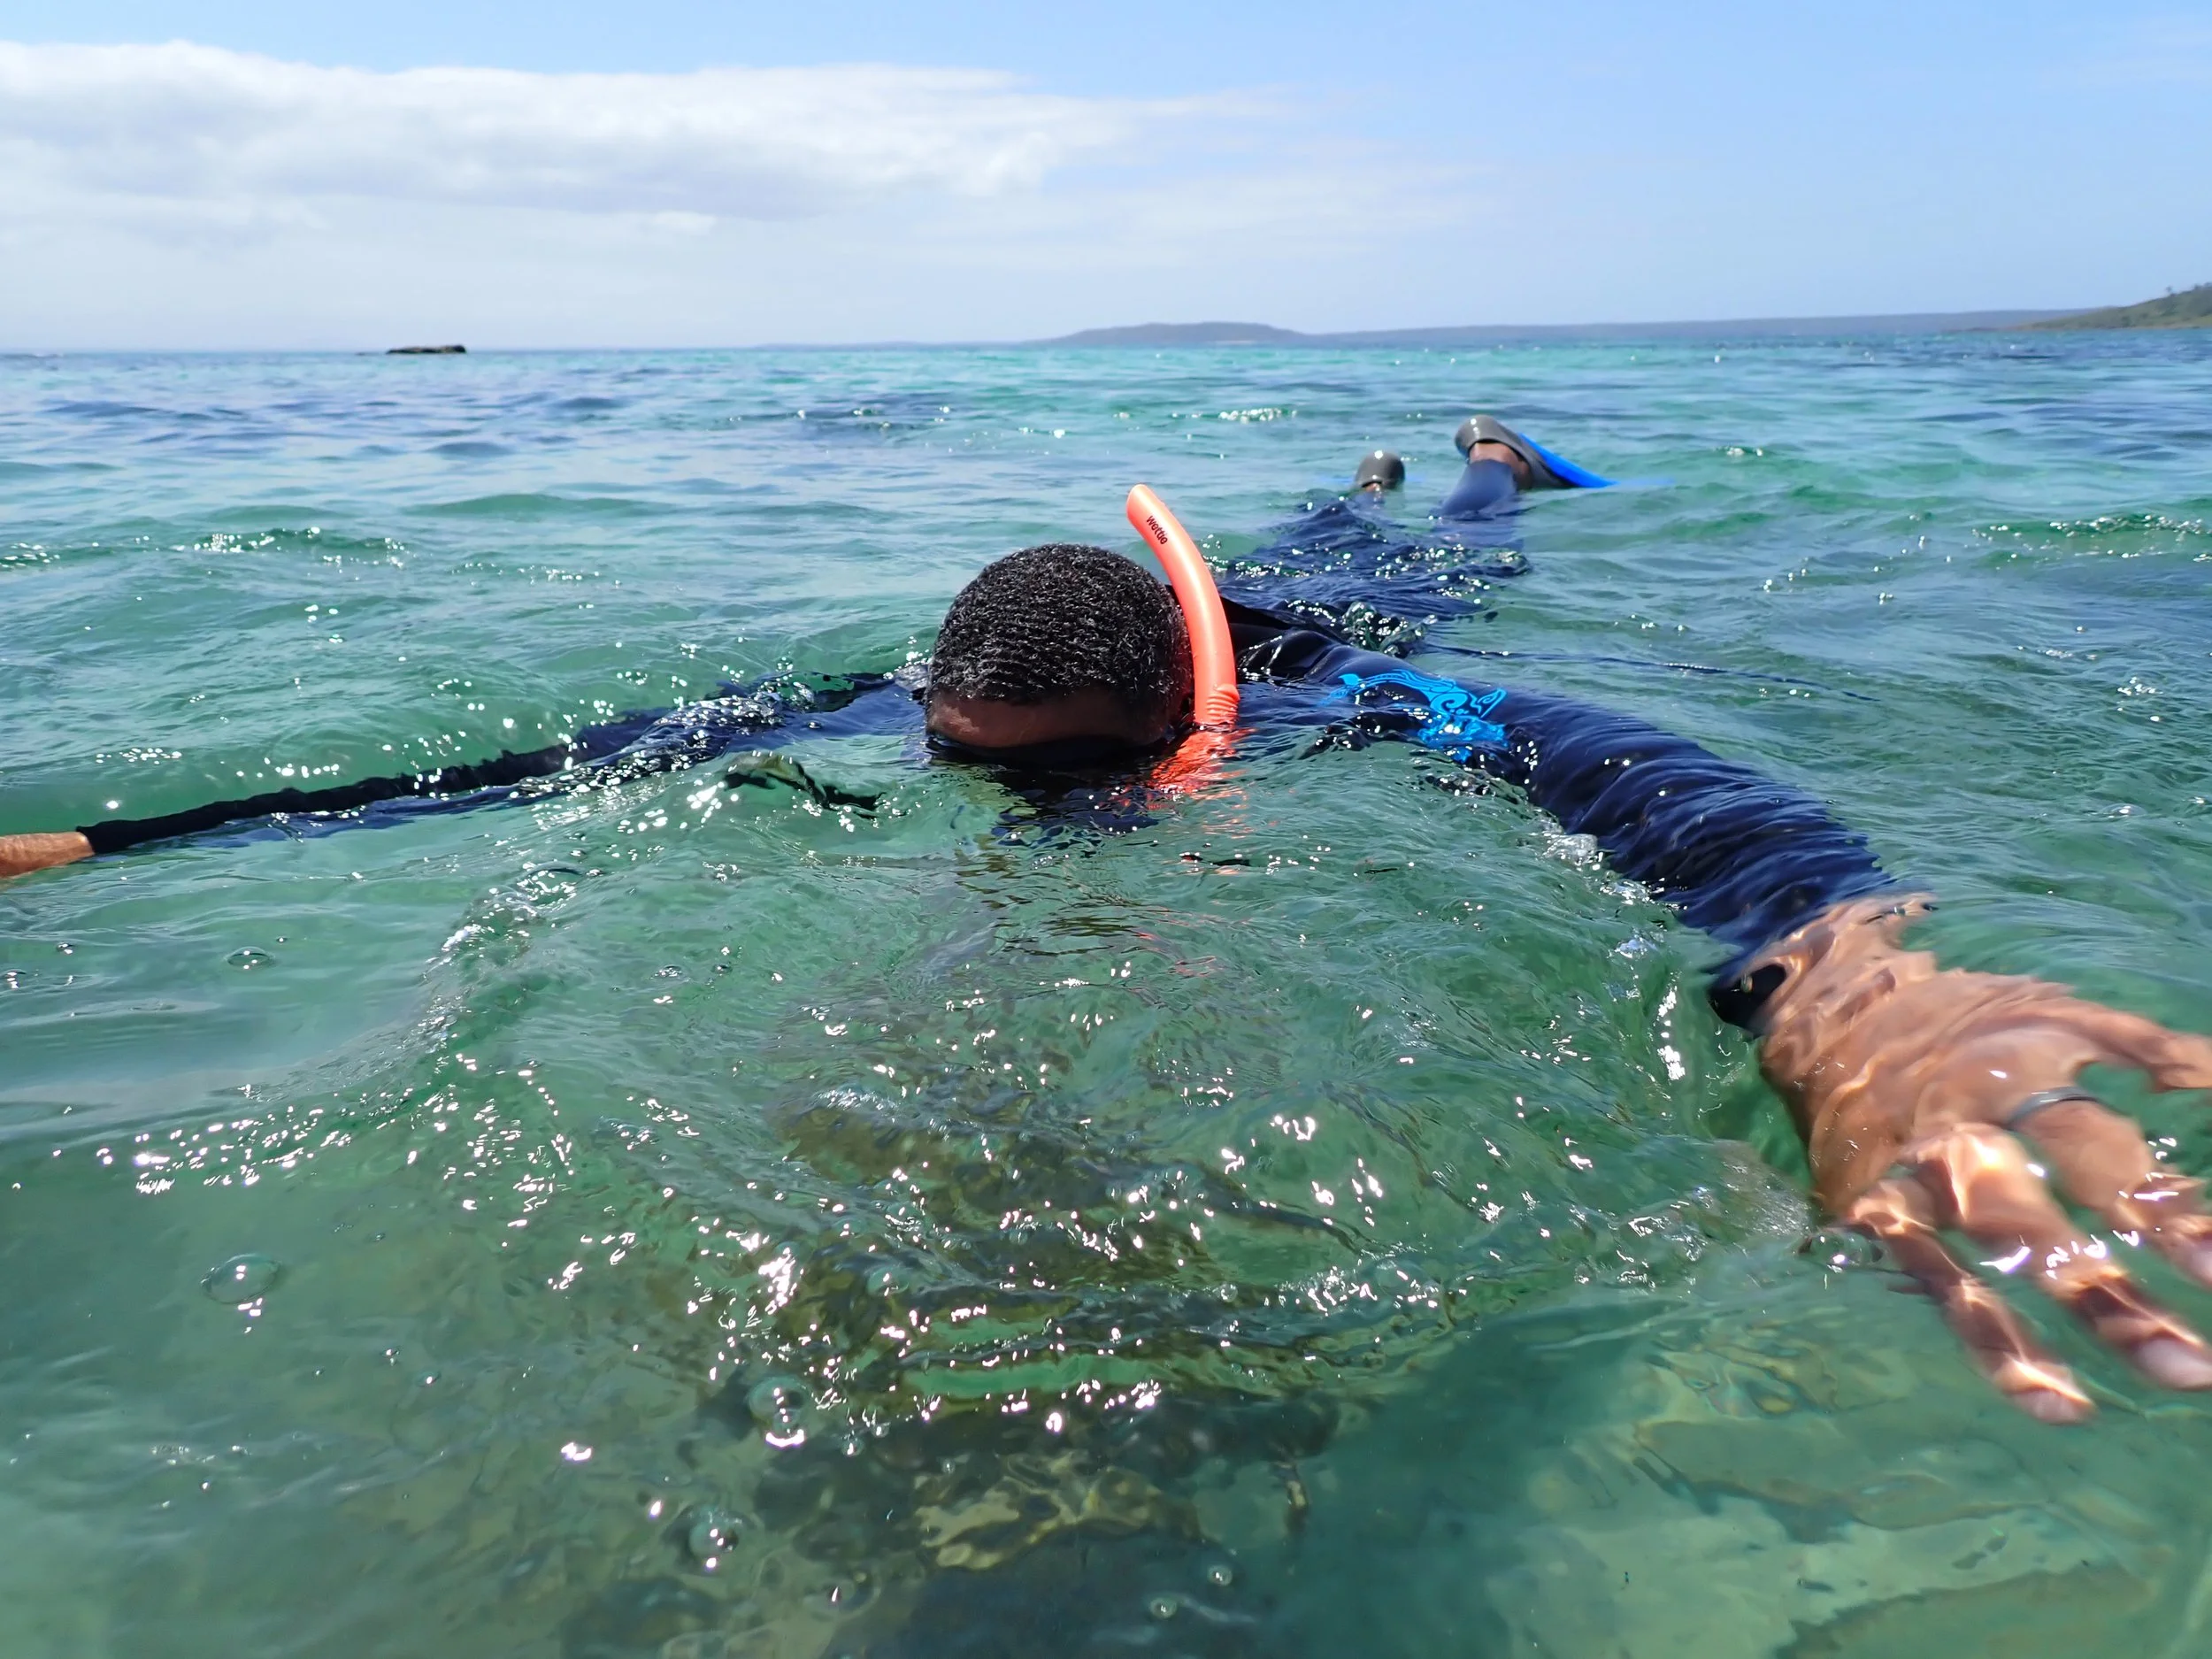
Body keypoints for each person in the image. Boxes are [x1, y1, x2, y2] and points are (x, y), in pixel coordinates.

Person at [5, 422, 2209, 1424]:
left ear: (1163, 726)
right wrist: (117, 850)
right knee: (1280, 516)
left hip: (1327, 615)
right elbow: (519, 766)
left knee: (1444, 548)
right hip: (1178, 624)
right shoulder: (922, 697)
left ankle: (1469, 465)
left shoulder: (1354, 708)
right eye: (970, 768)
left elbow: (1667, 795)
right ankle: (1341, 473)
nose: (1006, 812)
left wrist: (1851, 992)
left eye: (1050, 779)